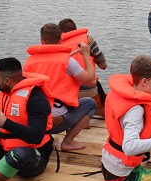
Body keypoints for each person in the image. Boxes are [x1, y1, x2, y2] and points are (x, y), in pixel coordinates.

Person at [24, 23, 97, 151]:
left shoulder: (29, 62)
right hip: (56, 122)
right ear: (61, 40)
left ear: (41, 40)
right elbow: (91, 81)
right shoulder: (67, 61)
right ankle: (67, 141)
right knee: (90, 103)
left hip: (34, 121)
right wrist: (85, 54)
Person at [58, 18, 108, 116]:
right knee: (108, 104)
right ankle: (91, 112)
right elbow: (103, 66)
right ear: (76, 30)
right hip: (88, 91)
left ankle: (81, 113)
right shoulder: (88, 40)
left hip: (66, 93)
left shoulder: (57, 44)